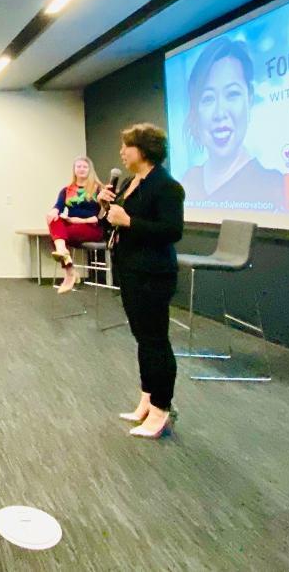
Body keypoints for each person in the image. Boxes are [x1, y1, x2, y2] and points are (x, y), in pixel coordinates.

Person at [98, 124, 185, 440]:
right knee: (143, 338)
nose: (121, 152)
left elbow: (172, 231)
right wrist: (105, 208)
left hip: (153, 274)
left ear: (144, 150)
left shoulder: (166, 187)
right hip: (131, 270)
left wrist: (129, 220)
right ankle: (147, 398)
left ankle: (161, 409)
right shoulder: (132, 184)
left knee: (155, 341)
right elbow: (111, 227)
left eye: (127, 146)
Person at [180, 37, 284, 210]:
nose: (220, 113)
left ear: (249, 99)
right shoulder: (190, 180)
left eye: (232, 94)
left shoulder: (274, 186)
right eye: (208, 98)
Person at [46, 157, 106, 294]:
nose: (81, 169)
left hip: (92, 228)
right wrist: (53, 212)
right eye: (78, 166)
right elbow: (58, 207)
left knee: (55, 239)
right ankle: (69, 266)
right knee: (55, 220)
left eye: (84, 166)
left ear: (90, 169)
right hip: (73, 226)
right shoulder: (66, 190)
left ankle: (68, 268)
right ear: (74, 170)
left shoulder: (98, 189)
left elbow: (102, 216)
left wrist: (80, 220)